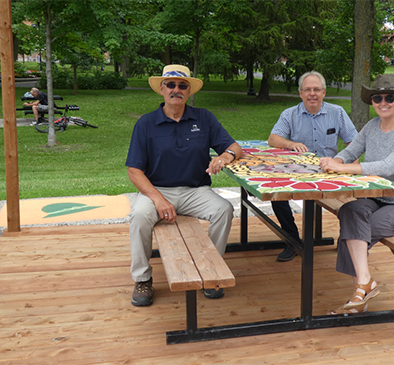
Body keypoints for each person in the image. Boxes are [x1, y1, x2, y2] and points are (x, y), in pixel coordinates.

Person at [125, 64, 243, 306]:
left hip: (196, 190)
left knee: (224, 209)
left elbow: (235, 147)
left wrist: (224, 157)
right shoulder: (146, 124)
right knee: (138, 216)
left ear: (189, 92)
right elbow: (134, 171)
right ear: (162, 89)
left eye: (182, 85)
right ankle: (142, 279)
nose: (176, 89)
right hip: (157, 190)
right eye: (171, 84)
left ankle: (211, 268)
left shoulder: (204, 118)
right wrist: (158, 199)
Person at [319, 74, 394, 315]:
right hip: (376, 199)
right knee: (350, 210)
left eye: (389, 97)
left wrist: (342, 168)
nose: (383, 102)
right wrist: (334, 160)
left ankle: (360, 292)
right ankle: (364, 283)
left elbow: (388, 166)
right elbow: (351, 150)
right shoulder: (371, 127)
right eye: (377, 98)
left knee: (354, 231)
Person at [268, 71, 358, 262]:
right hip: (298, 173)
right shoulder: (290, 114)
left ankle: (347, 241)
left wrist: (351, 169)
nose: (312, 94)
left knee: (354, 201)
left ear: (324, 92)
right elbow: (273, 139)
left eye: (316, 89)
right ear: (300, 93)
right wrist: (290, 145)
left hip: (331, 172)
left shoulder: (337, 112)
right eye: (307, 90)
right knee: (277, 196)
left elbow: (354, 144)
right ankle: (292, 240)